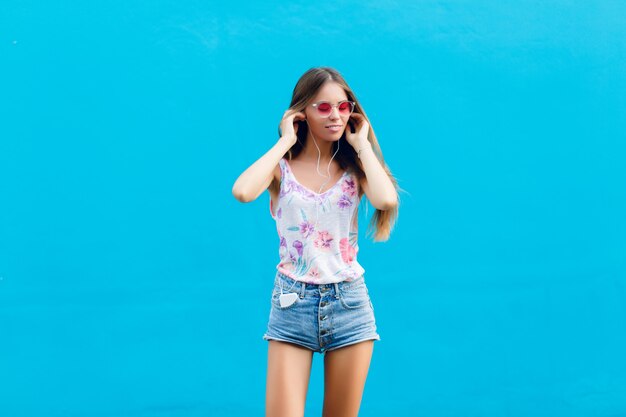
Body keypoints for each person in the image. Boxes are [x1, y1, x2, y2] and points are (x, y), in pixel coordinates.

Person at [232, 66, 400, 417]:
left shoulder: (356, 169)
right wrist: (284, 141)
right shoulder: (282, 168)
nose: (336, 115)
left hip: (349, 303)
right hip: (292, 302)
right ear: (302, 113)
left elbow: (386, 200)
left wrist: (361, 144)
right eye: (323, 107)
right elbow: (243, 191)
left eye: (343, 106)